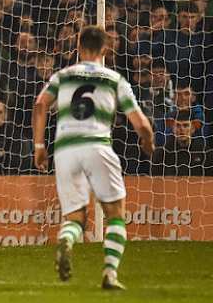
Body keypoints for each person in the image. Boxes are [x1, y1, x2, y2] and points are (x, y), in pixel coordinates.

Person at [32, 25, 155, 290]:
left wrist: (39, 145)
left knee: (75, 217)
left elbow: (41, 103)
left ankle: (66, 240)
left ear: (78, 47)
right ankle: (110, 273)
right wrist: (148, 141)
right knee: (115, 214)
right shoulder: (114, 79)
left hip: (65, 150)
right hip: (97, 145)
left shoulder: (63, 75)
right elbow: (141, 124)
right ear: (105, 49)